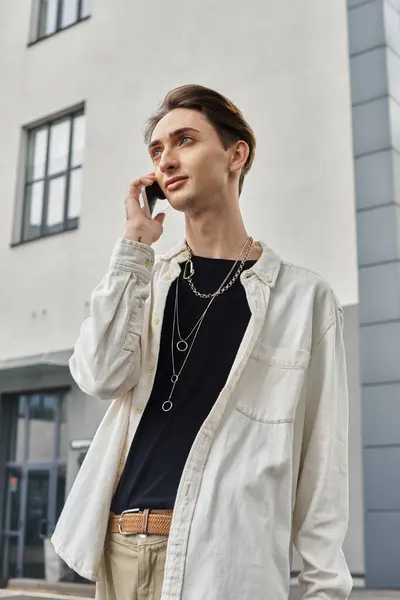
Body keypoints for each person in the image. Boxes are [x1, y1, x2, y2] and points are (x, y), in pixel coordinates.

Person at [52, 84, 353, 600]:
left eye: (185, 140)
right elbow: (99, 375)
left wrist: (325, 589)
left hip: (225, 563)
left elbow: (322, 464)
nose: (166, 158)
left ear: (237, 154)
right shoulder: (148, 281)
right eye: (156, 150)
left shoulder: (304, 300)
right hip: (121, 553)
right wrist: (133, 247)